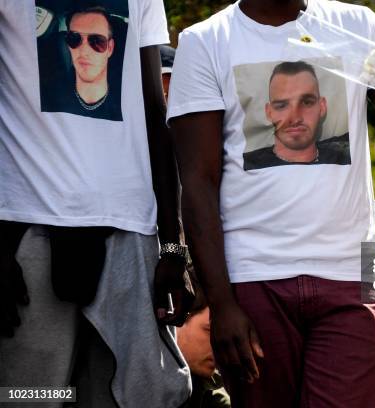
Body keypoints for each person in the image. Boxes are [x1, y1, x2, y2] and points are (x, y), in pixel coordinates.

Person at [167, 0, 375, 406]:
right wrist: (221, 304)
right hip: (253, 283)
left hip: (347, 282)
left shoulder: (358, 27)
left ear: (321, 106)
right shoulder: (205, 42)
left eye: (308, 101)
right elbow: (198, 182)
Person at [0, 1, 192, 406]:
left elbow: (155, 113)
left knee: (139, 396)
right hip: (27, 225)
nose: (84, 49)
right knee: (28, 396)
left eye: (97, 41)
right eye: (73, 39)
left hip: (129, 230)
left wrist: (173, 246)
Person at [243, 60, 350, 170]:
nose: (295, 118)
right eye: (282, 106)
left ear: (322, 107)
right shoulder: (247, 165)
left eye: (307, 102)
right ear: (269, 112)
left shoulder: (344, 152)